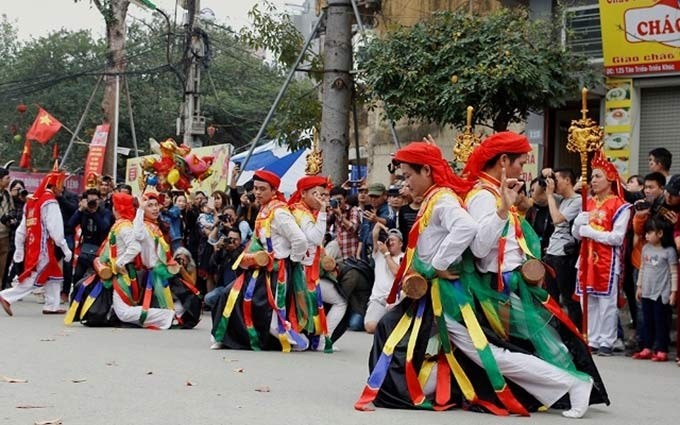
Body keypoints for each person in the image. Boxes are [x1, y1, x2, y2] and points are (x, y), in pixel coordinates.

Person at [357, 139, 606, 419]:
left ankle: (572, 382)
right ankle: (398, 389)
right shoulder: (470, 194)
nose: (405, 182)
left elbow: (471, 239)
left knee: (489, 352)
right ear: (502, 161)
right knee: (462, 347)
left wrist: (436, 266)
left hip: (458, 292)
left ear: (426, 171)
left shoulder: (456, 197)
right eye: (521, 162)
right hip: (451, 290)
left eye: (408, 175)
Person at [210, 170, 309, 351]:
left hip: (276, 271)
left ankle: (293, 341)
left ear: (273, 191)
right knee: (230, 294)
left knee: (268, 311)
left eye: (262, 189)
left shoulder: (279, 213)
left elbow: (300, 240)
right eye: (255, 188)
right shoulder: (265, 208)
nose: (257, 192)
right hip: (261, 268)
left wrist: (291, 261)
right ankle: (224, 336)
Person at [572, 150, 631, 356]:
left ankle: (607, 339)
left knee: (606, 302)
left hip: (607, 261)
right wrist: (579, 222)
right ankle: (592, 337)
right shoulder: (587, 203)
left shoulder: (621, 206)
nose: (593, 180)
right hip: (586, 259)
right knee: (587, 300)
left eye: (597, 176)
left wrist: (590, 231)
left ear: (610, 178)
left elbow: (616, 237)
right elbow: (577, 235)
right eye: (592, 176)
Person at [0, 166, 72, 316]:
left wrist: (20, 248)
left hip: (33, 245)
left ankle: (52, 305)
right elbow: (56, 229)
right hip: (43, 247)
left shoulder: (32, 201)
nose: (62, 188)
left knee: (54, 275)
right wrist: (65, 249)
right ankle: (7, 296)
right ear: (54, 185)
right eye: (60, 184)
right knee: (35, 277)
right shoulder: (49, 202)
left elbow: (22, 229)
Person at [289, 175, 343, 351]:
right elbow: (316, 237)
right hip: (301, 273)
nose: (321, 199)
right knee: (340, 301)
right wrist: (322, 212)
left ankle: (317, 339)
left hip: (309, 271)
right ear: (303, 193)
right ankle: (319, 340)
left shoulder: (307, 211)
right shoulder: (300, 213)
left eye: (324, 195)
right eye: (316, 194)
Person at [633, 217, 677, 362]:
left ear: (660, 234)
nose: (646, 235)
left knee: (661, 322)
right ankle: (647, 347)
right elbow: (642, 268)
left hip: (661, 292)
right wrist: (639, 287)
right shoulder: (645, 248)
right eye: (646, 233)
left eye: (650, 232)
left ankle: (661, 349)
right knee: (647, 321)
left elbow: (673, 273)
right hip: (647, 290)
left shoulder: (669, 251)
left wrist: (673, 292)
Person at [543, 168, 583, 327]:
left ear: (568, 180)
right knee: (551, 296)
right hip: (551, 253)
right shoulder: (560, 199)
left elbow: (558, 219)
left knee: (568, 297)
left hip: (564, 256)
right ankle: (557, 330)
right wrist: (544, 175)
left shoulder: (578, 200)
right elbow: (537, 196)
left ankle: (575, 331)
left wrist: (550, 195)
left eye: (557, 179)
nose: (554, 183)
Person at [66, 189, 113, 286]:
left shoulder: (105, 212)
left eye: (95, 200)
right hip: (86, 248)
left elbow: (104, 227)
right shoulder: (83, 212)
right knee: (78, 276)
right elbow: (70, 225)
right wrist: (79, 210)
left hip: (100, 250)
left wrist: (94, 213)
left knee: (97, 278)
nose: (92, 203)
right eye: (90, 200)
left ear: (100, 200)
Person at [364, 225, 403, 333]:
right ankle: (387, 328)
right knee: (370, 327)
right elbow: (375, 230)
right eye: (388, 240)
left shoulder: (404, 257)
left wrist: (386, 254)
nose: (390, 242)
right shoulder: (379, 254)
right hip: (378, 299)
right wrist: (382, 227)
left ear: (400, 244)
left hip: (396, 300)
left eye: (393, 240)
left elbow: (397, 273)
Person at [204, 227, 244, 311]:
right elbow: (212, 265)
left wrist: (232, 250)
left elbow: (237, 260)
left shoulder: (243, 251)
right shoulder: (224, 251)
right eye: (230, 239)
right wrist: (218, 250)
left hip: (238, 288)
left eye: (235, 239)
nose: (232, 242)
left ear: (240, 240)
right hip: (223, 287)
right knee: (208, 298)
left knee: (225, 296)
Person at [329, 186, 360, 260]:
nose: (338, 203)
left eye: (339, 199)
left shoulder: (353, 210)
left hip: (350, 254)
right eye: (335, 200)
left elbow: (353, 228)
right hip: (338, 254)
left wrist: (340, 215)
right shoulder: (332, 211)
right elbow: (324, 229)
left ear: (345, 199)